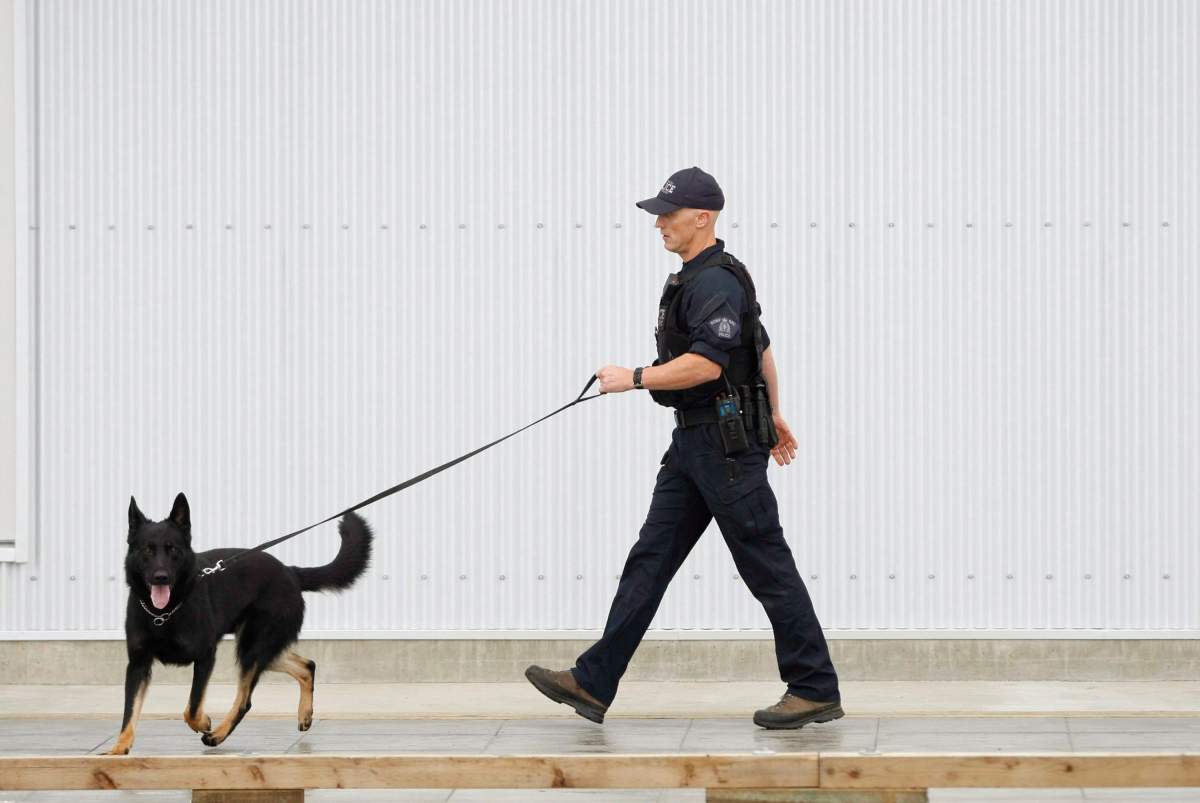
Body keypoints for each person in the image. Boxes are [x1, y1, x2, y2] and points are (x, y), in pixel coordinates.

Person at [525, 167, 842, 729]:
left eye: (668, 215)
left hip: (723, 448)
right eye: (657, 215)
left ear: (704, 217)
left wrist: (636, 377)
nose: (660, 224)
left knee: (766, 564)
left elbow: (708, 362)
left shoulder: (716, 280)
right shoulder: (697, 277)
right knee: (650, 559)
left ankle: (814, 686)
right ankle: (593, 681)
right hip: (696, 443)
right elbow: (761, 348)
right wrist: (773, 410)